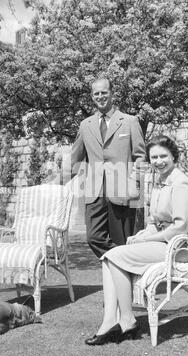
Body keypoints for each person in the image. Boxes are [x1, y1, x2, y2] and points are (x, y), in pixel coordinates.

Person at [85, 135, 188, 345]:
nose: (158, 161)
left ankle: (127, 319)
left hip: (182, 249)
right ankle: (111, 320)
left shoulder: (181, 184)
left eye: (163, 156)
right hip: (164, 243)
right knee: (109, 256)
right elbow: (154, 221)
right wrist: (141, 235)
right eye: (154, 157)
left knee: (113, 255)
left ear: (174, 156)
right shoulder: (160, 182)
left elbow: (179, 228)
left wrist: (146, 240)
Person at [71, 78, 146, 258]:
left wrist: (134, 183)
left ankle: (123, 281)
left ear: (112, 93)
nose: (100, 96)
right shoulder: (85, 125)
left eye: (104, 92)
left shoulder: (129, 121)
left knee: (123, 238)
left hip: (123, 189)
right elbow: (75, 160)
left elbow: (140, 157)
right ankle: (122, 260)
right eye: (96, 93)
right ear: (92, 97)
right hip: (95, 191)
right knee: (93, 237)